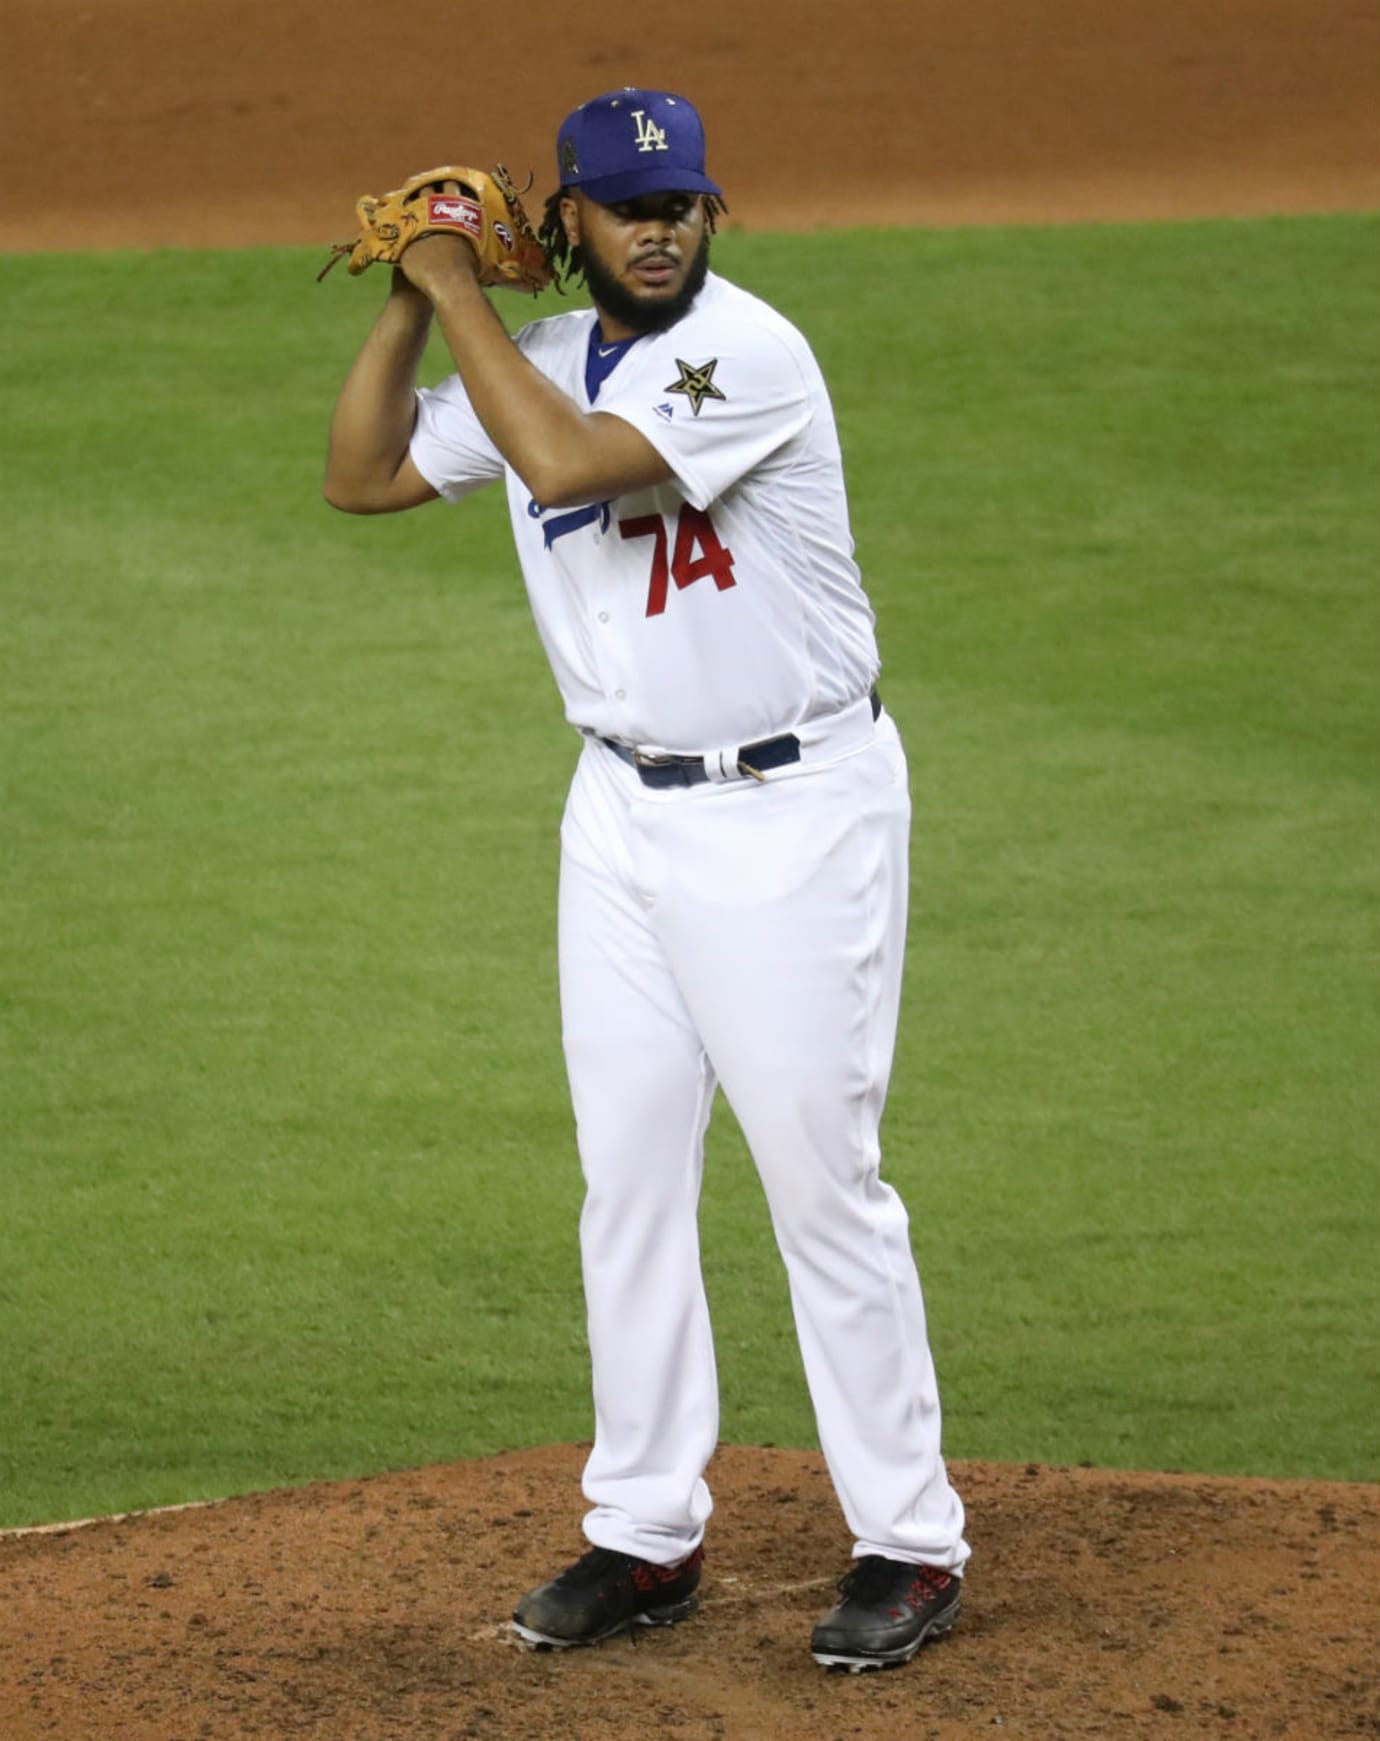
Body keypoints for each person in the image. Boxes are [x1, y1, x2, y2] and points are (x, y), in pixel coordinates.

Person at [323, 86, 970, 1672]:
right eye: (627, 205)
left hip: (791, 814)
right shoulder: (534, 355)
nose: (661, 225)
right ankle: (646, 1527)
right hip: (617, 817)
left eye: (680, 201)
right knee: (628, 1176)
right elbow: (361, 476)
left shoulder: (743, 352)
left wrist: (460, 282)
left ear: (708, 213)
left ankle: (909, 1538)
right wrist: (416, 306)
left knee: (823, 1180)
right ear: (578, 222)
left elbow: (563, 471)